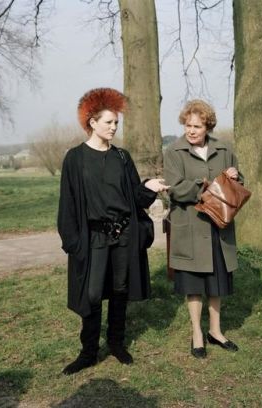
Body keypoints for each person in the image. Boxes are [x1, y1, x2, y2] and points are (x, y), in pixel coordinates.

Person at [58, 88, 168, 375]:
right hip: (93, 238)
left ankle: (117, 344)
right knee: (92, 294)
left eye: (116, 123)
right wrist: (73, 243)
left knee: (120, 290)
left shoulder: (122, 157)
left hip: (124, 236)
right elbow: (67, 203)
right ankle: (88, 352)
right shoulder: (75, 158)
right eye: (108, 122)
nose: (114, 127)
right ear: (92, 122)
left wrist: (149, 188)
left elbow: (133, 196)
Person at [163, 99, 241, 358]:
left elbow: (238, 185)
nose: (191, 131)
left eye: (197, 126)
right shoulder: (174, 152)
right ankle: (197, 333)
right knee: (194, 286)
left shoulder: (223, 149)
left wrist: (235, 177)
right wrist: (202, 186)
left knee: (216, 284)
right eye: (188, 125)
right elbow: (174, 188)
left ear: (208, 126)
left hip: (219, 229)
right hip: (191, 230)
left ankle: (216, 332)